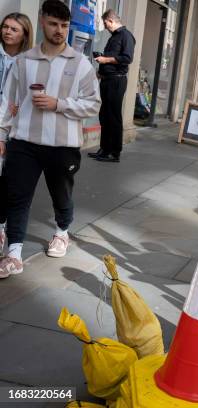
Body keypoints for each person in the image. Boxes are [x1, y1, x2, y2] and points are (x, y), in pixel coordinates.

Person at [0, 0, 101, 278]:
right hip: (24, 142)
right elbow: (8, 101)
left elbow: (93, 104)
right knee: (17, 196)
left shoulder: (80, 64)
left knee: (61, 195)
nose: (60, 30)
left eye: (65, 25)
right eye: (54, 24)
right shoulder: (23, 61)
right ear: (42, 21)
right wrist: (2, 133)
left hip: (63, 145)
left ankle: (62, 231)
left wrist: (59, 103)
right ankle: (14, 253)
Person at [0, 12, 33, 256]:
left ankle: (3, 228)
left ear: (25, 34)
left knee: (8, 182)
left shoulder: (28, 62)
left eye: (14, 29)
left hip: (13, 126)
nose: (7, 31)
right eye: (5, 27)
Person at [88, 9, 135, 163]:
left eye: (105, 23)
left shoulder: (126, 36)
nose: (105, 26)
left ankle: (114, 153)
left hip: (117, 80)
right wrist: (101, 71)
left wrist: (106, 60)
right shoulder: (114, 37)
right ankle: (104, 149)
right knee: (104, 116)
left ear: (110, 20)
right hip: (107, 79)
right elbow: (112, 58)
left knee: (113, 117)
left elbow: (127, 58)